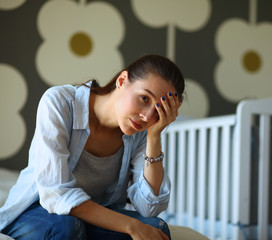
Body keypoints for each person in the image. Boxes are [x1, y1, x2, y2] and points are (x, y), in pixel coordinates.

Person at [0, 54, 185, 240]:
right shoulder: (60, 103)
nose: (146, 116)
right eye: (144, 98)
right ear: (122, 80)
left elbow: (149, 208)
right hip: (38, 210)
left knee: (156, 229)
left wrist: (154, 136)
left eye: (158, 111)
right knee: (66, 226)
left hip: (92, 218)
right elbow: (56, 194)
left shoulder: (142, 132)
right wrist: (130, 225)